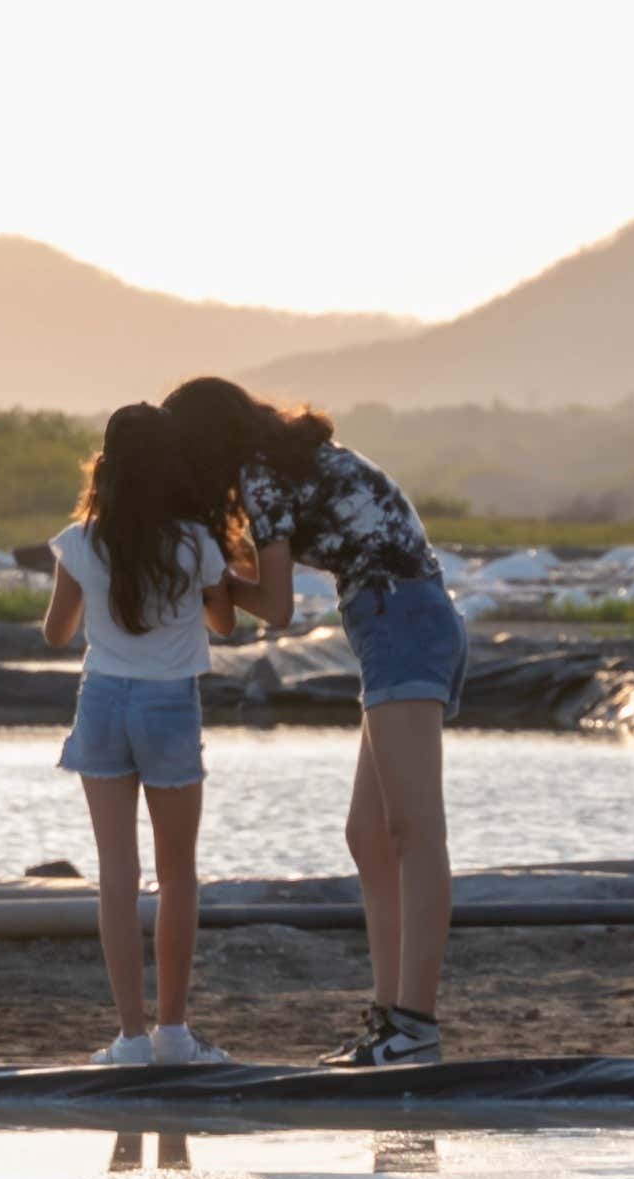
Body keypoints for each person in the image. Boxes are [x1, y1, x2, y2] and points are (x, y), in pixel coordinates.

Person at [161, 375, 463, 1066]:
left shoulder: (261, 476)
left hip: (402, 619)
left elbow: (273, 608)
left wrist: (207, 580)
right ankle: (391, 1018)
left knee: (414, 831)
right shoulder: (280, 463)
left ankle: (415, 1026)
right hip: (389, 617)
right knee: (370, 835)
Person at [41, 402, 259, 1066]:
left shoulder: (81, 541)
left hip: (102, 700)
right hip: (169, 707)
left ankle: (129, 1038)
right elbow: (225, 626)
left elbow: (55, 633)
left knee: (117, 875)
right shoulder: (195, 542)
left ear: (106, 467)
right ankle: (174, 1033)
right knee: (178, 874)